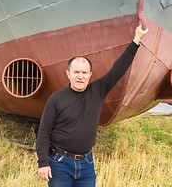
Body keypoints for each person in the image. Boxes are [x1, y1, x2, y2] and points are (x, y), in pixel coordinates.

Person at [36, 25, 148, 186]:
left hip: (86, 164)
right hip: (60, 163)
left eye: (84, 73)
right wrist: (43, 163)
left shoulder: (98, 91)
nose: (80, 76)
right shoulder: (56, 98)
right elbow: (44, 131)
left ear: (90, 75)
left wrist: (136, 40)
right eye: (76, 72)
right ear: (68, 74)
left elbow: (118, 68)